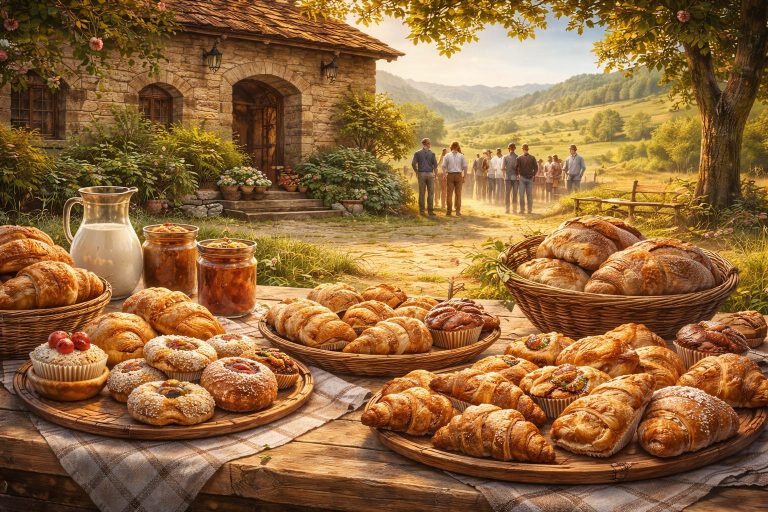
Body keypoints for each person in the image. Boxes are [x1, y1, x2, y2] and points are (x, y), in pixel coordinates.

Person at [411, 137, 438, 216]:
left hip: (421, 174)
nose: (430, 144)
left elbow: (413, 163)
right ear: (425, 144)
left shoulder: (417, 153)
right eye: (429, 143)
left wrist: (416, 172)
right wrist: (434, 173)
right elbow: (435, 165)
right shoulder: (432, 153)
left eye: (429, 143)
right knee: (431, 193)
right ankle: (430, 211)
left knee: (422, 193)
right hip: (430, 174)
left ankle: (422, 211)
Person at [441, 141, 468, 216]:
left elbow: (443, 166)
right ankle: (457, 211)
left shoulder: (447, 155)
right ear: (458, 147)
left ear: (451, 147)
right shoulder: (461, 156)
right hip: (459, 175)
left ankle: (449, 211)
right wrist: (464, 176)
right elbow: (465, 167)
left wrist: (444, 174)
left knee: (449, 194)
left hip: (450, 175)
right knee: (458, 194)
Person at [515, 143, 537, 215]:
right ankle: (523, 210)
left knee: (528, 195)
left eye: (525, 149)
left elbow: (536, 168)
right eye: (524, 149)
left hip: (529, 178)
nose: (525, 150)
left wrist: (534, 175)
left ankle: (528, 210)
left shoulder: (532, 158)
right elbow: (516, 168)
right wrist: (517, 174)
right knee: (523, 195)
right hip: (523, 178)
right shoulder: (519, 158)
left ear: (525, 149)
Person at [502, 143, 519, 214]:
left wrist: (504, 176)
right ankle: (514, 209)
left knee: (507, 194)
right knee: (514, 194)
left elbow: (503, 168)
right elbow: (519, 168)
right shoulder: (518, 157)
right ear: (514, 148)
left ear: (508, 149)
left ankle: (507, 209)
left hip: (508, 177)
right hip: (515, 178)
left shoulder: (505, 157)